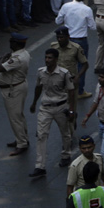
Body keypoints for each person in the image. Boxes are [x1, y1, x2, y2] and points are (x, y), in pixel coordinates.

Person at [29, 47, 76, 180]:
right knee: (41, 135)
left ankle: (66, 155)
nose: (47, 60)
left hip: (61, 107)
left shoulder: (64, 73)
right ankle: (40, 166)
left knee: (65, 133)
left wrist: (71, 110)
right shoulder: (40, 72)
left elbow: (71, 91)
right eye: (46, 57)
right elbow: (38, 88)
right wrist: (33, 103)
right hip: (45, 108)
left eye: (50, 58)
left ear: (56, 59)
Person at [0, 32, 31, 156]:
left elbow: (0, 68)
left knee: (15, 117)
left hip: (13, 90)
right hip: (18, 86)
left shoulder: (17, 58)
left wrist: (1, 59)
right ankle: (22, 138)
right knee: (19, 115)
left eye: (12, 41)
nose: (10, 43)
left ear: (16, 44)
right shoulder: (23, 53)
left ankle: (21, 143)